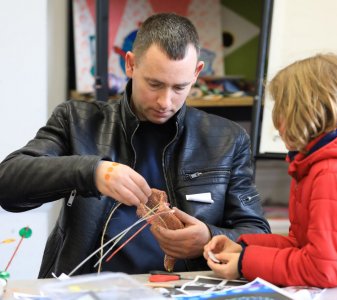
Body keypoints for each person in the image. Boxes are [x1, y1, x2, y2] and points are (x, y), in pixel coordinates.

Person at [0, 13, 270, 278]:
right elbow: (8, 183)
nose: (165, 101)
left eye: (179, 87)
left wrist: (210, 237)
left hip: (182, 290)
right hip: (87, 287)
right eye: (154, 84)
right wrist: (92, 172)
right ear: (130, 64)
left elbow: (258, 233)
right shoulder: (77, 121)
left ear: (198, 72)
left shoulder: (227, 139)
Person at [203, 53, 337, 299]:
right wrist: (243, 248)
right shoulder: (323, 164)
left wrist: (244, 263)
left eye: (281, 108)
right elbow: (305, 248)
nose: (276, 123)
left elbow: (322, 269)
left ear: (305, 112)